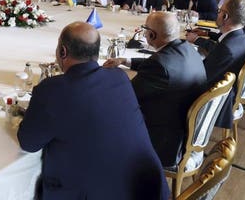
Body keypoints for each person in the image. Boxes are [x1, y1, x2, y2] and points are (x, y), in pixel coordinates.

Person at [17, 22, 169, 199]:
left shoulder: (52, 90)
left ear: (62, 52)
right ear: (96, 52)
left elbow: (28, 143)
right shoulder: (119, 77)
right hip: (147, 189)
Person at [103, 12, 207, 167]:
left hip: (163, 142)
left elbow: (128, 98)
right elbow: (162, 65)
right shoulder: (187, 48)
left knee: (106, 116)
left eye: (145, 29)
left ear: (151, 35)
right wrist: (125, 60)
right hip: (181, 126)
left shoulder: (159, 65)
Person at [188, 0, 245, 129]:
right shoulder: (240, 37)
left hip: (216, 100)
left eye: (219, 11)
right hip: (227, 90)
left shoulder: (227, 48)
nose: (217, 14)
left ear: (225, 16)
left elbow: (201, 79)